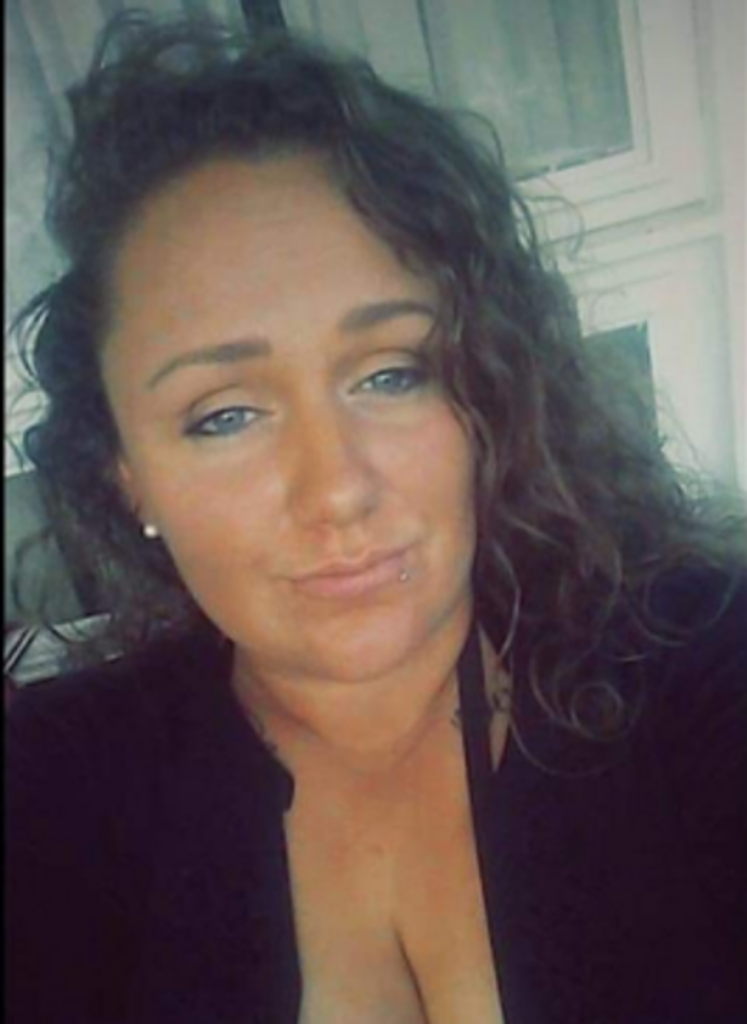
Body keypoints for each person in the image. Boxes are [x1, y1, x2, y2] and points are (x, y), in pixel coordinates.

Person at [6, 12, 746, 1024]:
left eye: (392, 373)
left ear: (488, 392)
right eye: (224, 415)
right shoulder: (56, 788)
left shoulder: (697, 662)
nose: (337, 490)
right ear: (129, 476)